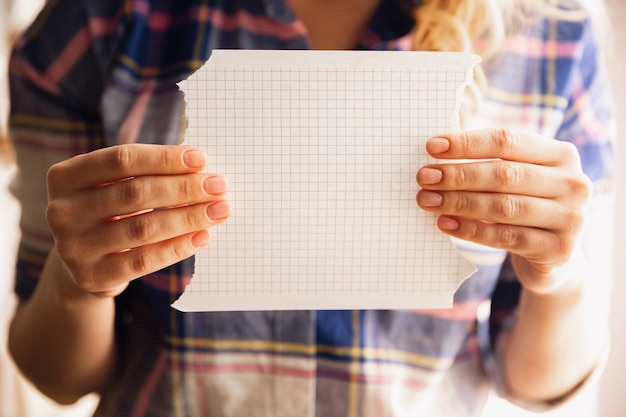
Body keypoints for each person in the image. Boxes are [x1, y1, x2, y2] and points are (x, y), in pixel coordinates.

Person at [6, 0, 615, 416]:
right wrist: (77, 285)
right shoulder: (94, 22)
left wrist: (558, 278)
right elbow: (57, 375)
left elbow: (536, 384)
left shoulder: (553, 32)